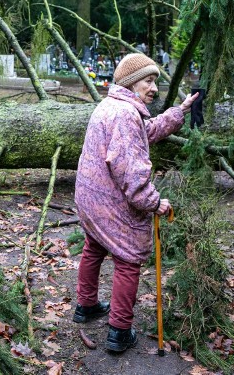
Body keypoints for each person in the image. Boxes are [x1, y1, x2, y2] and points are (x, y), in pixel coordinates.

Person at [72, 53, 198, 352]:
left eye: (155, 81)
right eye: (148, 80)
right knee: (129, 260)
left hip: (90, 197)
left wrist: (177, 113)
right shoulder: (126, 114)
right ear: (131, 82)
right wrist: (154, 202)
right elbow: (131, 171)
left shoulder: (112, 105)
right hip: (110, 200)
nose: (153, 88)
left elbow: (145, 133)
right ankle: (118, 331)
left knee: (94, 246)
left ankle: (86, 306)